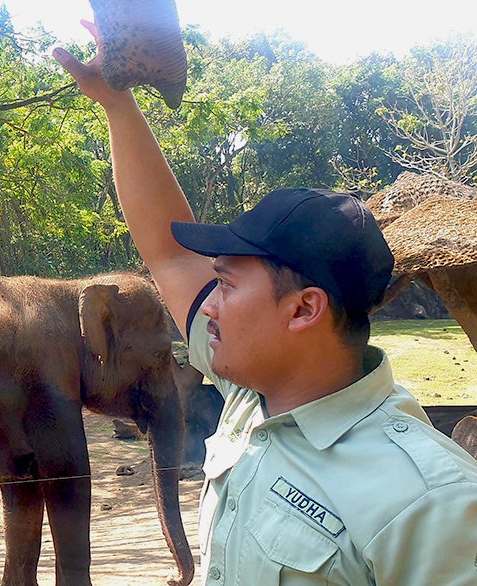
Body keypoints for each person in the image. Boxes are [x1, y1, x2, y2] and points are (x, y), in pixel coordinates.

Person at [52, 20, 477, 586]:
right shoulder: (250, 396)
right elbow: (171, 256)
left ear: (303, 310)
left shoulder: (429, 502)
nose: (206, 306)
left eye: (226, 285)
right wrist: (117, 105)